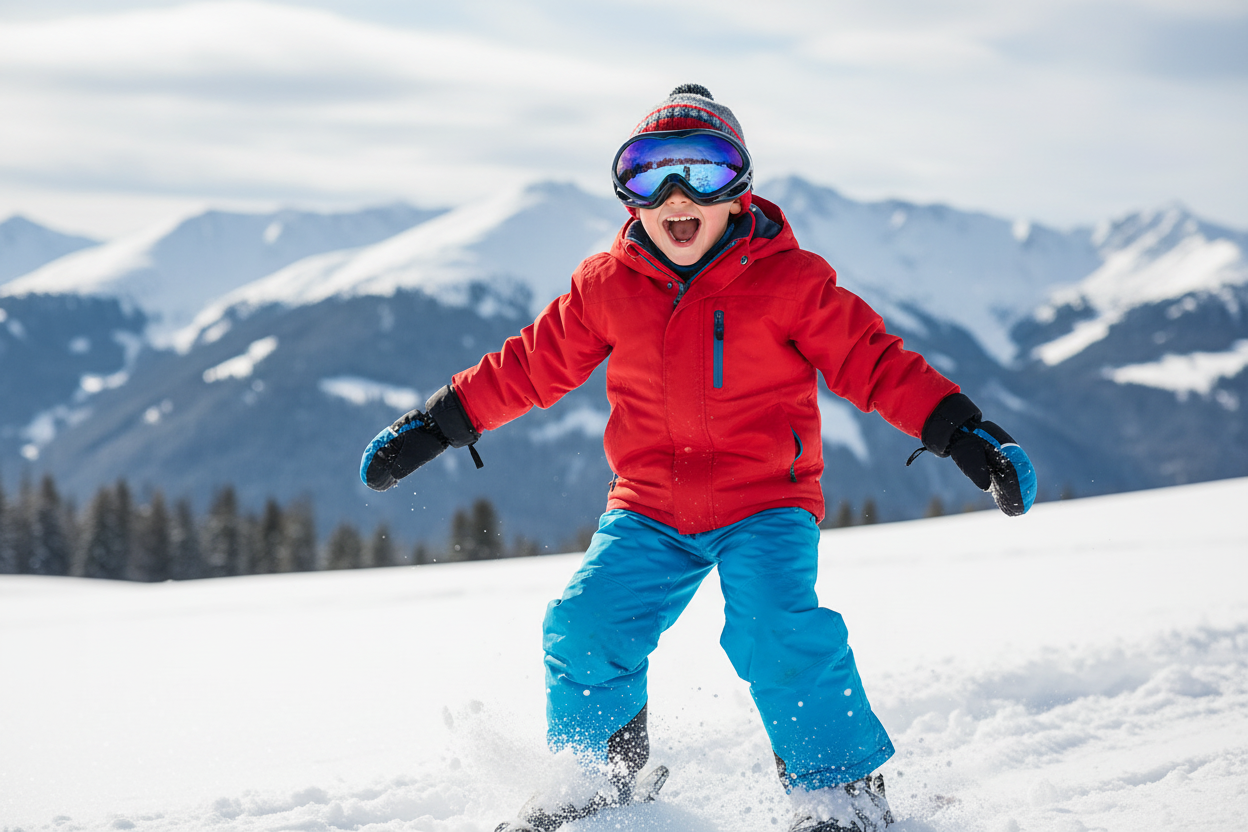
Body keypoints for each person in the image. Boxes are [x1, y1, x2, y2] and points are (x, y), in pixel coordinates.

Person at [360, 84, 1036, 832]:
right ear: (628, 194)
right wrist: (436, 423)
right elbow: (529, 364)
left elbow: (875, 363)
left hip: (766, 503)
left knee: (775, 629)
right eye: (650, 173)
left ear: (740, 188)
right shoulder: (607, 285)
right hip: (647, 505)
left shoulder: (790, 281)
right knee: (585, 628)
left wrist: (966, 433)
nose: (677, 195)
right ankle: (598, 781)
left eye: (705, 171)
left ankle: (841, 795)